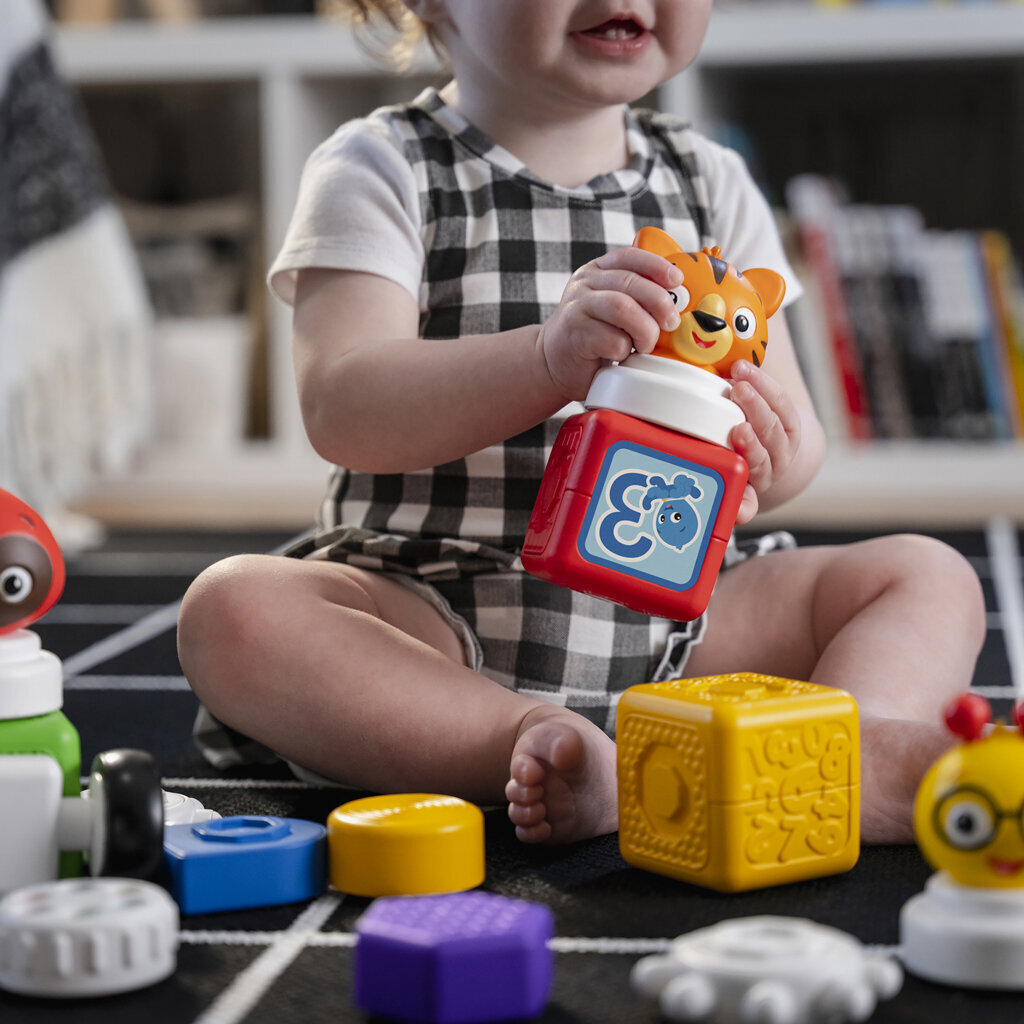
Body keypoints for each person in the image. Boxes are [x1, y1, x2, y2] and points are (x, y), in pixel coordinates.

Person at [177, 0, 986, 846]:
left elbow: (790, 428)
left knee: (928, 575)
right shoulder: (382, 165)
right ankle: (530, 744)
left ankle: (836, 751)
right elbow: (343, 406)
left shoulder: (711, 182)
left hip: (687, 613)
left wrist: (775, 455)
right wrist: (541, 363)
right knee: (233, 612)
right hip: (434, 609)